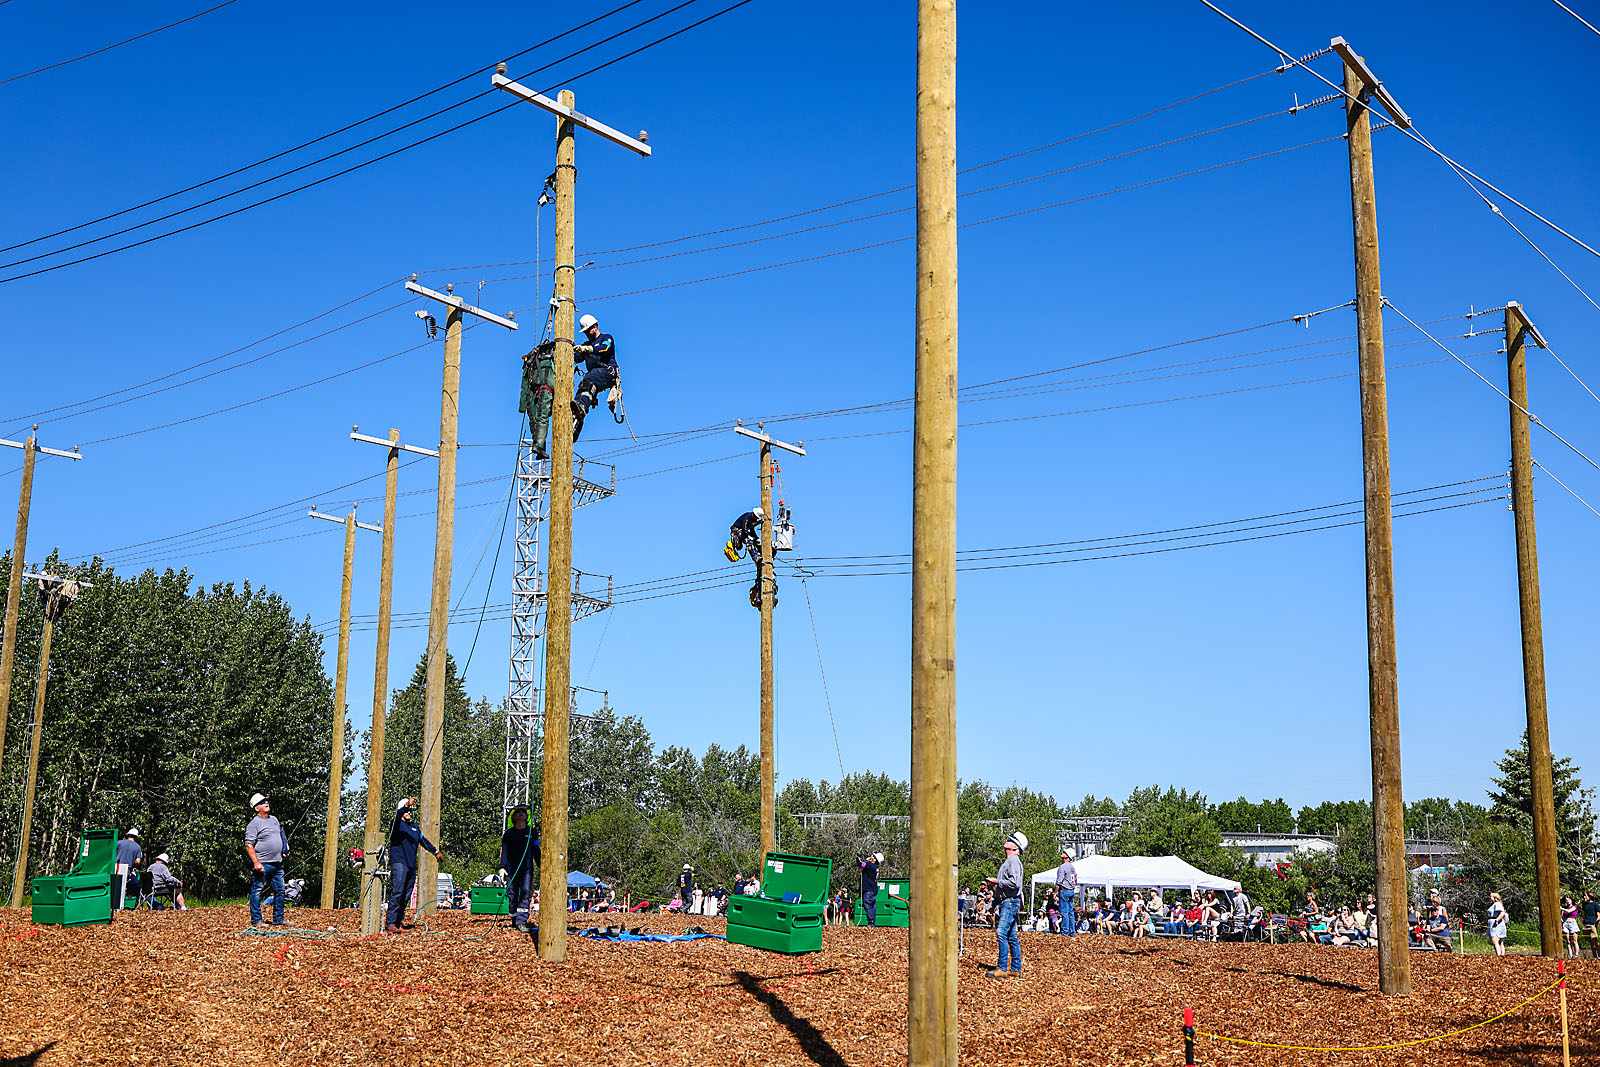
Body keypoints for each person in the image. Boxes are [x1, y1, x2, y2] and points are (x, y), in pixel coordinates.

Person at [386, 796, 444, 935]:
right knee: (397, 893)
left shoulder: (414, 827)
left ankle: (398, 923)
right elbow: (398, 814)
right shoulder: (396, 824)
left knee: (406, 895)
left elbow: (424, 841)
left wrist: (435, 852)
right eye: (407, 810)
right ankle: (391, 923)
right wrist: (405, 805)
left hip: (410, 865)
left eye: (411, 810)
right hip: (399, 862)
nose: (409, 812)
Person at [569, 313, 617, 443]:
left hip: (608, 373)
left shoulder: (606, 338)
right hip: (595, 377)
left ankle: (581, 408)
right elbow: (575, 358)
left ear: (595, 326)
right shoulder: (586, 344)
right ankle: (574, 428)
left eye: (588, 330)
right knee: (581, 393)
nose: (586, 333)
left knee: (588, 382)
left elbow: (605, 348)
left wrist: (587, 349)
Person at [985, 831, 1027, 977]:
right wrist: (993, 904)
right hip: (1007, 901)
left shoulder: (1013, 862)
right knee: (1011, 935)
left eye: (1010, 840)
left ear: (1015, 847)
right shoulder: (1010, 862)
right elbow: (1005, 888)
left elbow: (1014, 884)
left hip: (1010, 902)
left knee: (1001, 932)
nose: (1007, 841)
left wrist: (996, 882)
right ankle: (1015, 968)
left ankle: (1002, 968)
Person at [245, 794, 288, 927]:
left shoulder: (274, 820)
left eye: (266, 801)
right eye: (262, 802)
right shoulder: (254, 824)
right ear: (257, 808)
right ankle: (257, 920)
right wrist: (256, 862)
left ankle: (278, 919)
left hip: (277, 863)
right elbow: (249, 845)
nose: (266, 803)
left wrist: (284, 849)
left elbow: (281, 835)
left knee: (280, 890)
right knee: (257, 890)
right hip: (262, 864)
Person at [496, 804, 540, 933]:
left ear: (527, 816)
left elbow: (536, 850)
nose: (521, 813)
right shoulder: (509, 834)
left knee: (525, 893)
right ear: (514, 816)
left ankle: (521, 921)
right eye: (518, 811)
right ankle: (514, 919)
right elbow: (504, 851)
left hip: (527, 869)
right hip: (512, 869)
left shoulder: (532, 832)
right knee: (512, 894)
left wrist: (541, 865)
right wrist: (502, 867)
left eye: (523, 811)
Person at [115, 827, 144, 910]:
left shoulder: (119, 843)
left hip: (115, 867)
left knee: (116, 886)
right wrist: (133, 867)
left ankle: (114, 905)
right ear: (136, 837)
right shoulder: (137, 847)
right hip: (127, 869)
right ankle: (123, 905)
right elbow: (138, 861)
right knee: (126, 886)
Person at [1053, 848, 1079, 937]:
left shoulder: (1062, 867)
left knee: (1064, 912)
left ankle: (1065, 932)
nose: (1062, 853)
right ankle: (1072, 931)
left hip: (1064, 890)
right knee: (1070, 912)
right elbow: (1075, 881)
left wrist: (1055, 892)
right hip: (1072, 890)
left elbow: (1059, 881)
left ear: (1067, 856)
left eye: (1064, 852)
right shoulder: (1073, 867)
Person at [858, 852, 882, 927]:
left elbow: (860, 863)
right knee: (872, 906)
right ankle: (872, 922)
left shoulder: (870, 865)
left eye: (873, 856)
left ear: (875, 859)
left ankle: (871, 922)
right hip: (873, 889)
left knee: (867, 904)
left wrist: (858, 856)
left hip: (869, 889)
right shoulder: (875, 867)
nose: (871, 856)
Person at [1486, 892, 1508, 957]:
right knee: (1500, 942)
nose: (1490, 898)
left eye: (1491, 896)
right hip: (1493, 924)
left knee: (1495, 940)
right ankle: (1502, 955)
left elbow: (1502, 913)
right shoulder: (1494, 904)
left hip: (1497, 925)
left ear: (1495, 898)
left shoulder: (1497, 904)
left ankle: (1499, 955)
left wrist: (1496, 920)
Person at [1581, 890, 1600, 959]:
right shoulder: (1584, 904)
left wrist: (1595, 923)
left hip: (1592, 924)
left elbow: (1598, 915)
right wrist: (1582, 921)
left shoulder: (1595, 904)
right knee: (1590, 942)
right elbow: (1583, 914)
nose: (1584, 897)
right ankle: (1594, 956)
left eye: (1585, 895)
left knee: (1595, 941)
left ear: (1590, 896)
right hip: (1586, 924)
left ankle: (1599, 955)